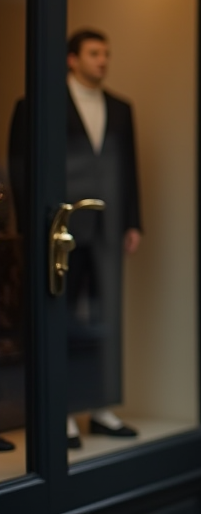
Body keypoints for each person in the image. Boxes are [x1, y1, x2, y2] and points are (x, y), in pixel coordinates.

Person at [6, 29, 142, 449]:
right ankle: (59, 411)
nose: (103, 60)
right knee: (57, 321)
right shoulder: (39, 105)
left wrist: (133, 222)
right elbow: (20, 168)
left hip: (106, 230)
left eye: (107, 53)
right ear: (71, 59)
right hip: (58, 233)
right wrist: (34, 230)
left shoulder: (120, 108)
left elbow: (127, 168)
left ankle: (100, 407)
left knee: (102, 320)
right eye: (94, 53)